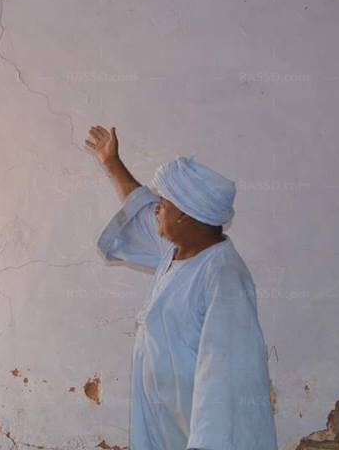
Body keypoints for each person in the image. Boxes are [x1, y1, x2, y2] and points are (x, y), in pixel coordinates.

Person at [86, 125, 277, 450]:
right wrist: (112, 163)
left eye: (164, 202)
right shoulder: (175, 252)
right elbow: (139, 206)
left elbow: (224, 380)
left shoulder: (223, 277)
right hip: (167, 424)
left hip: (201, 434)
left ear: (187, 216)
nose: (157, 208)